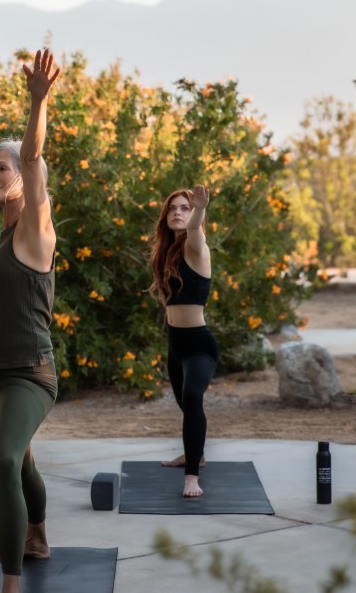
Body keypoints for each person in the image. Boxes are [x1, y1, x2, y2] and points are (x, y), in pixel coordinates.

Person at [0, 49, 61, 593]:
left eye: (0, 168)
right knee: (23, 464)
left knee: (4, 463)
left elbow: (32, 158)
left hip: (29, 375)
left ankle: (11, 584)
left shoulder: (35, 229)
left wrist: (37, 103)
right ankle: (36, 538)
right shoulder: (5, 237)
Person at [149, 185, 218, 498]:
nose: (178, 212)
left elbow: (194, 231)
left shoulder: (196, 247)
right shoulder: (167, 253)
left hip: (199, 346)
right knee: (186, 405)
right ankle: (195, 455)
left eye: (184, 208)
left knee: (192, 399)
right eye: (172, 208)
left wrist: (199, 208)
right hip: (175, 345)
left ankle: (192, 477)